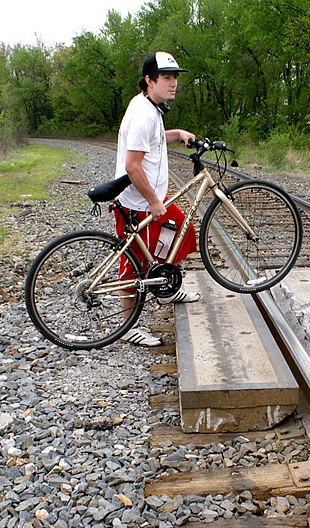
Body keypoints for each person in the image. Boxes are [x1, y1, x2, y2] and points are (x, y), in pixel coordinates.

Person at [113, 51, 200, 347]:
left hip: (149, 200)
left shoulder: (150, 108)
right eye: (166, 77)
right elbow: (132, 166)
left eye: (174, 77)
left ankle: (168, 287)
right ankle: (127, 327)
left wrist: (176, 133)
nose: (173, 83)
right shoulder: (142, 114)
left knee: (182, 231)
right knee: (133, 264)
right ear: (149, 80)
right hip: (136, 205)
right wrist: (152, 200)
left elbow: (152, 136)